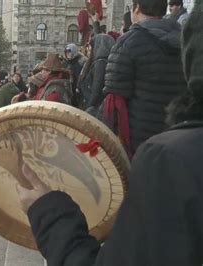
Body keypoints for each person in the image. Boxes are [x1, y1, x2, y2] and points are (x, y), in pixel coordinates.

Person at [16, 4, 203, 265]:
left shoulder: (131, 43)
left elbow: (112, 101)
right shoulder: (176, 36)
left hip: (143, 153)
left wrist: (50, 212)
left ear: (135, 8)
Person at [102, 0, 187, 156]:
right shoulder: (185, 39)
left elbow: (115, 103)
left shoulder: (128, 42)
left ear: (137, 9)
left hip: (140, 143)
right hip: (180, 138)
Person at [78, 34, 116, 114]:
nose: (89, 50)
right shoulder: (100, 62)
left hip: (92, 110)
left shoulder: (100, 64)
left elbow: (96, 91)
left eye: (91, 47)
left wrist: (88, 110)